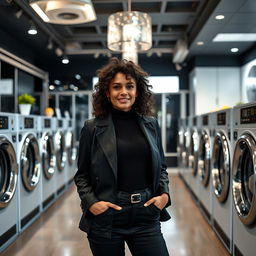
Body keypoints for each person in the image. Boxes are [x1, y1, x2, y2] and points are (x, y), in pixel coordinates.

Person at [74, 57, 171, 256]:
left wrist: (164, 195)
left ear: (138, 91)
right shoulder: (92, 128)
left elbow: (161, 166)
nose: (124, 92)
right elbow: (82, 175)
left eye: (130, 86)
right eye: (117, 87)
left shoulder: (150, 124)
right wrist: (92, 203)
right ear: (107, 93)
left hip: (146, 212)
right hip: (108, 215)